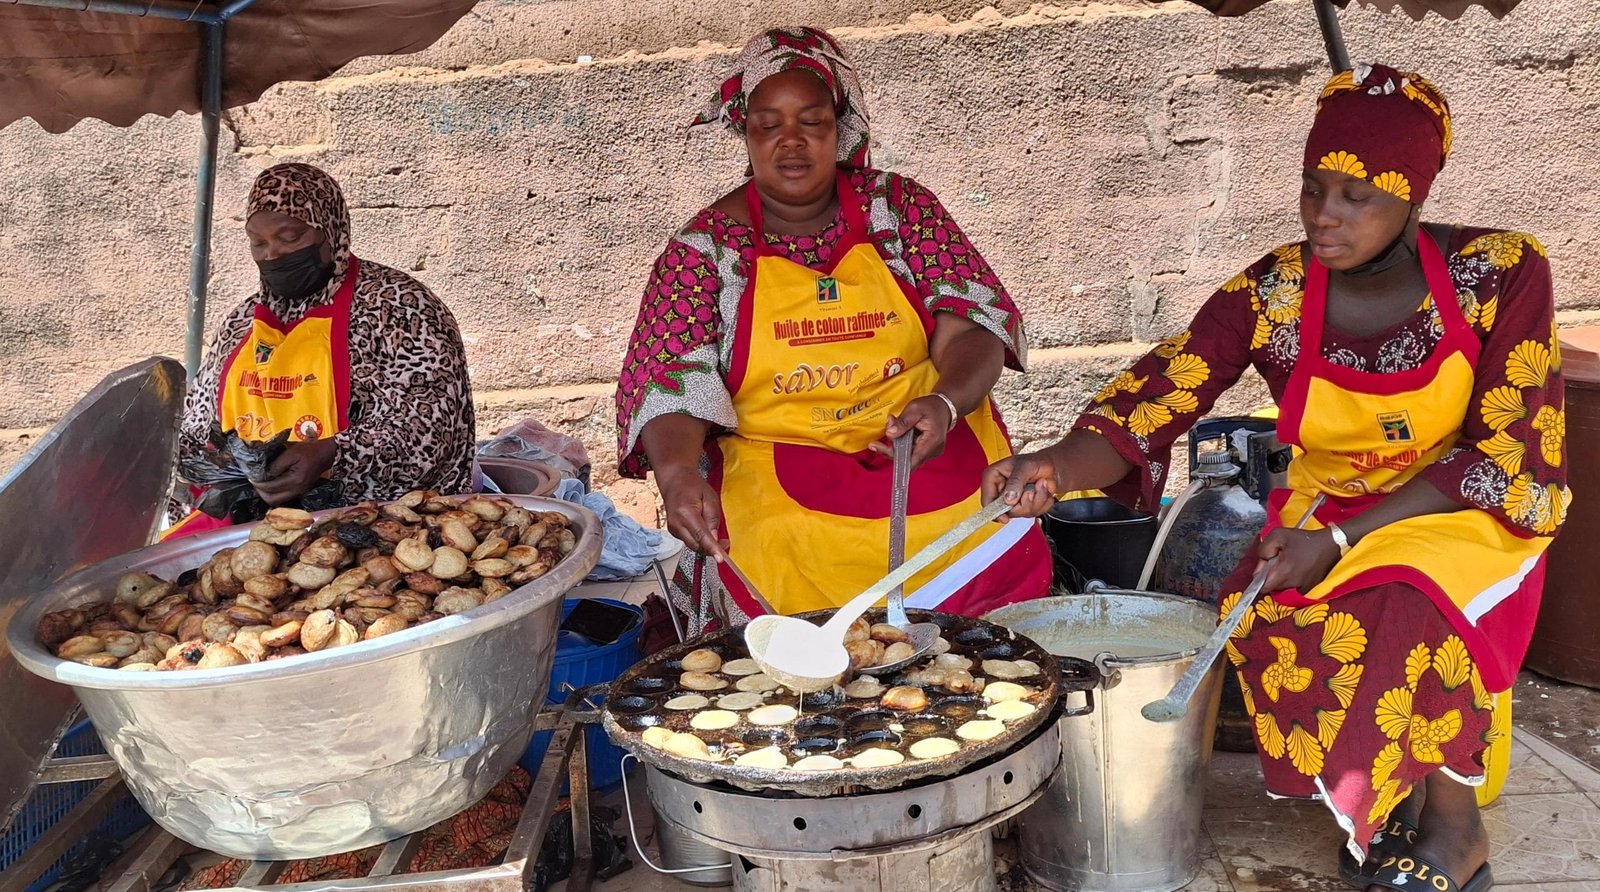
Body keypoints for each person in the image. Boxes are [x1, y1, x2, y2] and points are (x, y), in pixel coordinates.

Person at [985, 65, 1565, 892]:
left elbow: (1508, 446)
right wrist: (1055, 462)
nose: (1325, 214)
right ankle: (1385, 796)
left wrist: (1334, 540)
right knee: (1253, 604)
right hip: (1325, 506)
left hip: (1467, 503)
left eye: (1357, 195)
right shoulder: (1276, 292)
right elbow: (1160, 394)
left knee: (1403, 600)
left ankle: (1452, 827)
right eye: (1313, 187)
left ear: (1414, 196)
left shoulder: (1498, 273)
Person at [615, 26, 1050, 635]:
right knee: (765, 539)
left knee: (979, 527)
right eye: (768, 124)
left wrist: (947, 404)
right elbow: (669, 380)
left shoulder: (901, 210)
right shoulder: (706, 249)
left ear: (840, 126)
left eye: (811, 121)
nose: (790, 142)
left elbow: (973, 324)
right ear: (746, 132)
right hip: (779, 460)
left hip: (923, 440)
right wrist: (679, 474)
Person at [171, 163, 475, 536]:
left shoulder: (397, 306)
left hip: (384, 530)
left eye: (290, 236)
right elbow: (197, 423)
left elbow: (430, 428)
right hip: (260, 532)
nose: (272, 254)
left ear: (331, 231)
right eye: (258, 242)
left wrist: (331, 452)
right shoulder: (242, 322)